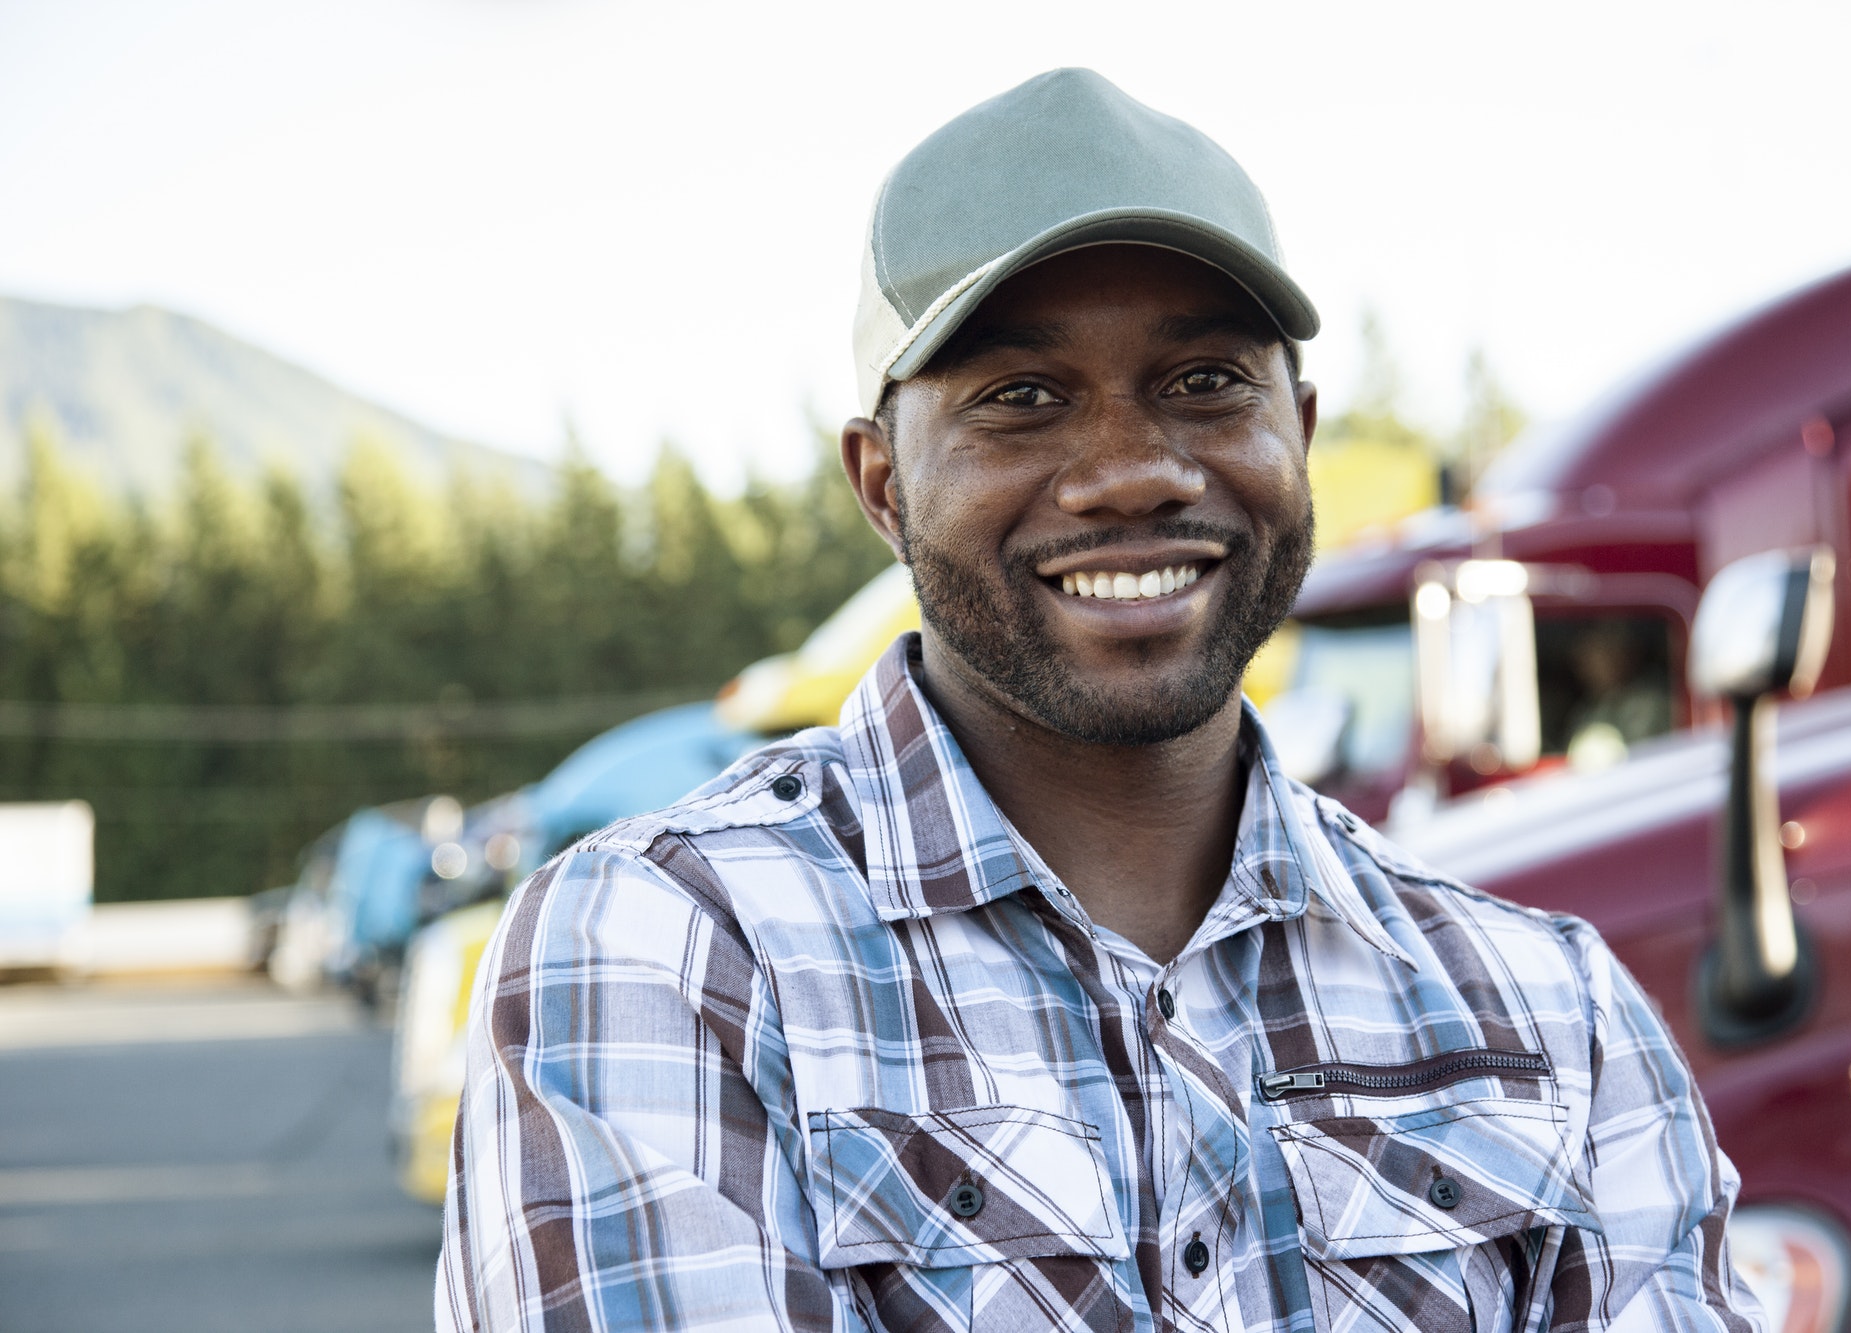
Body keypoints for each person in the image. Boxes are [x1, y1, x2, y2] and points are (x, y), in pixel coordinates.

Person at [439, 69, 1764, 1332]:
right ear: (882, 484)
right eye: (1023, 397)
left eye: (1203, 382)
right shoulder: (677, 952)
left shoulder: (1547, 1011)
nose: (1132, 469)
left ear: (1299, 432)